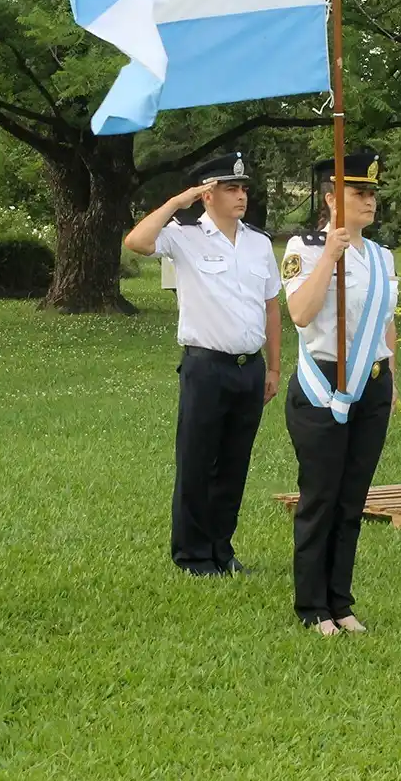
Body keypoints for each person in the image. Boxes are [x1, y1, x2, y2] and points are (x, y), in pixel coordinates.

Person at [122, 152, 282, 577]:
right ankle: (193, 555)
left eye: (243, 188)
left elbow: (271, 306)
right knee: (197, 462)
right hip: (206, 367)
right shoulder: (184, 236)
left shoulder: (258, 242)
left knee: (233, 464)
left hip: (249, 368)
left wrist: (273, 368)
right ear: (207, 195)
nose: (241, 195)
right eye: (231, 188)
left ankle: (221, 549)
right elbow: (136, 242)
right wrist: (178, 202)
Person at [281, 151, 397, 635]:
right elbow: (300, 314)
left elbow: (386, 323)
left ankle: (340, 601)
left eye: (372, 193)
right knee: (321, 498)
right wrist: (330, 256)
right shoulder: (305, 248)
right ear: (332, 199)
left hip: (371, 383)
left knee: (353, 500)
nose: (369, 201)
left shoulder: (382, 256)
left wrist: (392, 379)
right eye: (358, 193)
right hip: (324, 384)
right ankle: (313, 606)